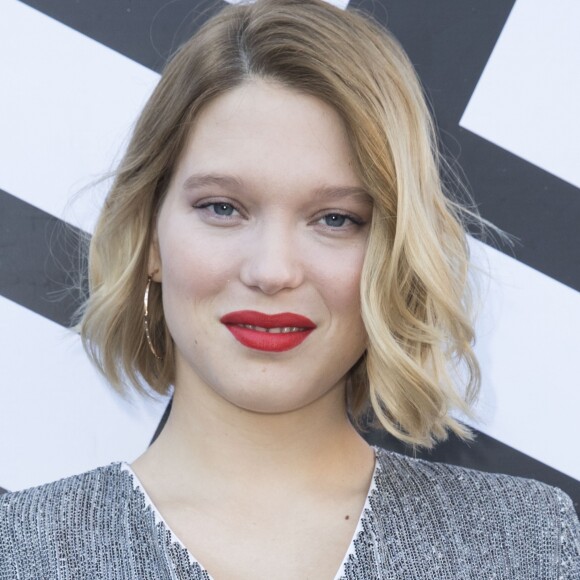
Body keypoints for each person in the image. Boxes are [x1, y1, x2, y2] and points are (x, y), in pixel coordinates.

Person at [1, 0, 579, 578]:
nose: (273, 270)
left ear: (395, 250)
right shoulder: (22, 554)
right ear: (150, 238)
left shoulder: (523, 546)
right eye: (222, 208)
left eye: (334, 219)